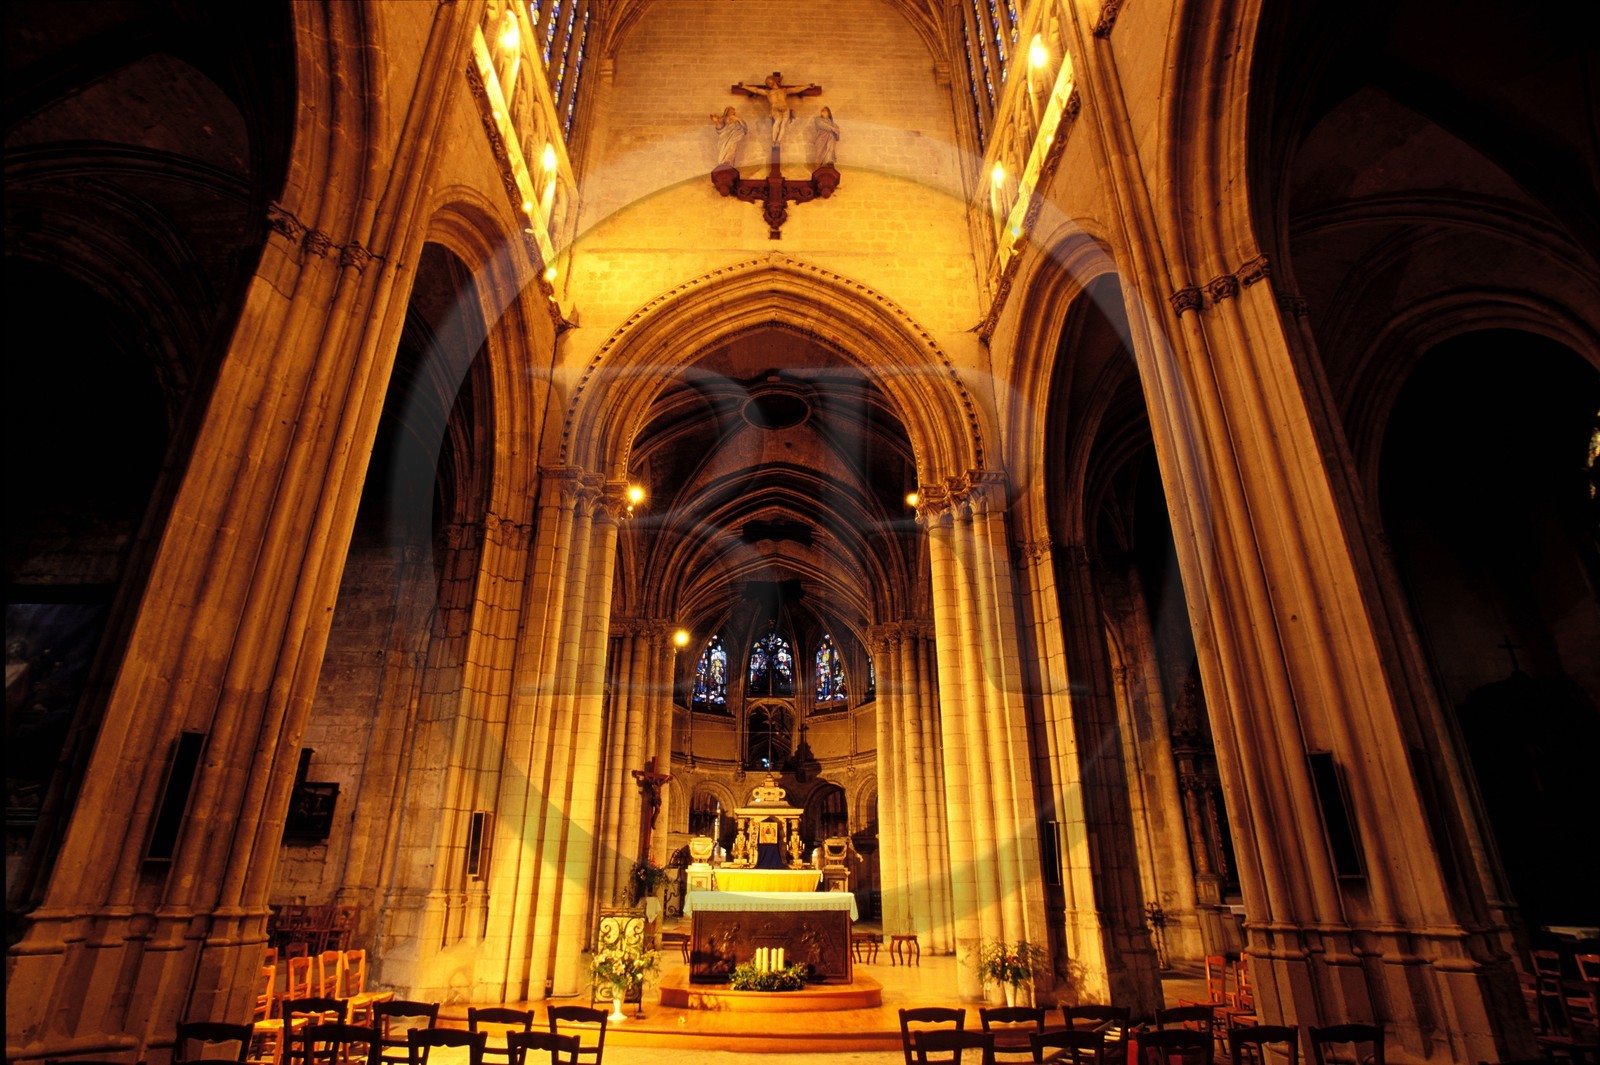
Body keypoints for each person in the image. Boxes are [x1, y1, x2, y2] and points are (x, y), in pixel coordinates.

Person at [733, 72, 821, 143]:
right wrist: (744, 86)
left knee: (783, 124)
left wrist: (808, 86)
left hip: (785, 108)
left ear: (774, 80)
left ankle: (778, 141)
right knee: (777, 122)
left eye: (770, 81)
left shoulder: (784, 90)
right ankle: (773, 140)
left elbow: (796, 89)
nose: (769, 83)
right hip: (775, 108)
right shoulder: (768, 92)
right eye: (767, 82)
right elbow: (756, 90)